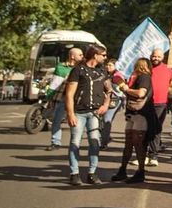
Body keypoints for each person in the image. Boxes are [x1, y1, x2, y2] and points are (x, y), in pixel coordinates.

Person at [64, 45, 114, 185]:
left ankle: (92, 173)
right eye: (103, 55)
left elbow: (109, 89)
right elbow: (69, 94)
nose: (105, 58)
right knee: (75, 142)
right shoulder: (78, 71)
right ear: (95, 55)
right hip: (79, 112)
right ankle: (74, 173)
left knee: (94, 141)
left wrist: (105, 104)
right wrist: (70, 114)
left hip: (95, 113)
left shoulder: (102, 71)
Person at [110, 58, 155, 183]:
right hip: (133, 113)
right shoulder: (138, 77)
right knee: (129, 142)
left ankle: (140, 171)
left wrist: (126, 89)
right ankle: (123, 169)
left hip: (141, 113)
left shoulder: (144, 77)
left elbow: (141, 93)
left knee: (137, 142)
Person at [47, 47, 83, 151]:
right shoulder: (61, 68)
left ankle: (75, 143)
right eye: (80, 55)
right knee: (56, 120)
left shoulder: (82, 68)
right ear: (72, 56)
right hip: (62, 98)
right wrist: (50, 98)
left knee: (75, 121)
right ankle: (55, 142)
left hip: (76, 99)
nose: (82, 57)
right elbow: (54, 84)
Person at [145, 48, 172, 167]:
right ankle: (143, 155)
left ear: (163, 57)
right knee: (143, 130)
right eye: (154, 56)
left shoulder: (169, 69)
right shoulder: (145, 68)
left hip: (161, 103)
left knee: (156, 130)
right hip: (145, 103)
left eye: (158, 56)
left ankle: (153, 155)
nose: (156, 58)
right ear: (151, 56)